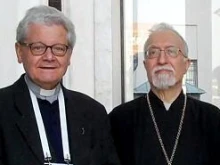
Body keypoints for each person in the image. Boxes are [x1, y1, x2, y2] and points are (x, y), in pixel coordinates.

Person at [0, 5, 120, 165]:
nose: (49, 57)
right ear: (19, 52)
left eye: (58, 49)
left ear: (69, 55)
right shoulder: (2, 107)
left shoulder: (93, 113)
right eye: (38, 48)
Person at [109, 22, 220, 165]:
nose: (162, 60)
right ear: (145, 65)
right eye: (153, 52)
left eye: (171, 51)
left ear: (186, 65)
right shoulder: (119, 119)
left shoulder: (211, 119)